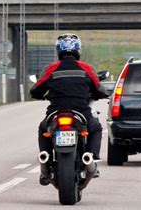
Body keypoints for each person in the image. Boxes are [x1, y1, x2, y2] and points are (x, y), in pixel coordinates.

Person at [30, 34, 108, 185]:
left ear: (58, 50)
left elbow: (35, 90)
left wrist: (40, 94)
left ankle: (45, 158)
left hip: (56, 112)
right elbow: (99, 88)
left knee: (43, 129)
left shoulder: (51, 68)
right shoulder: (86, 68)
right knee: (96, 128)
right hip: (81, 112)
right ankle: (90, 156)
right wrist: (101, 94)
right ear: (78, 50)